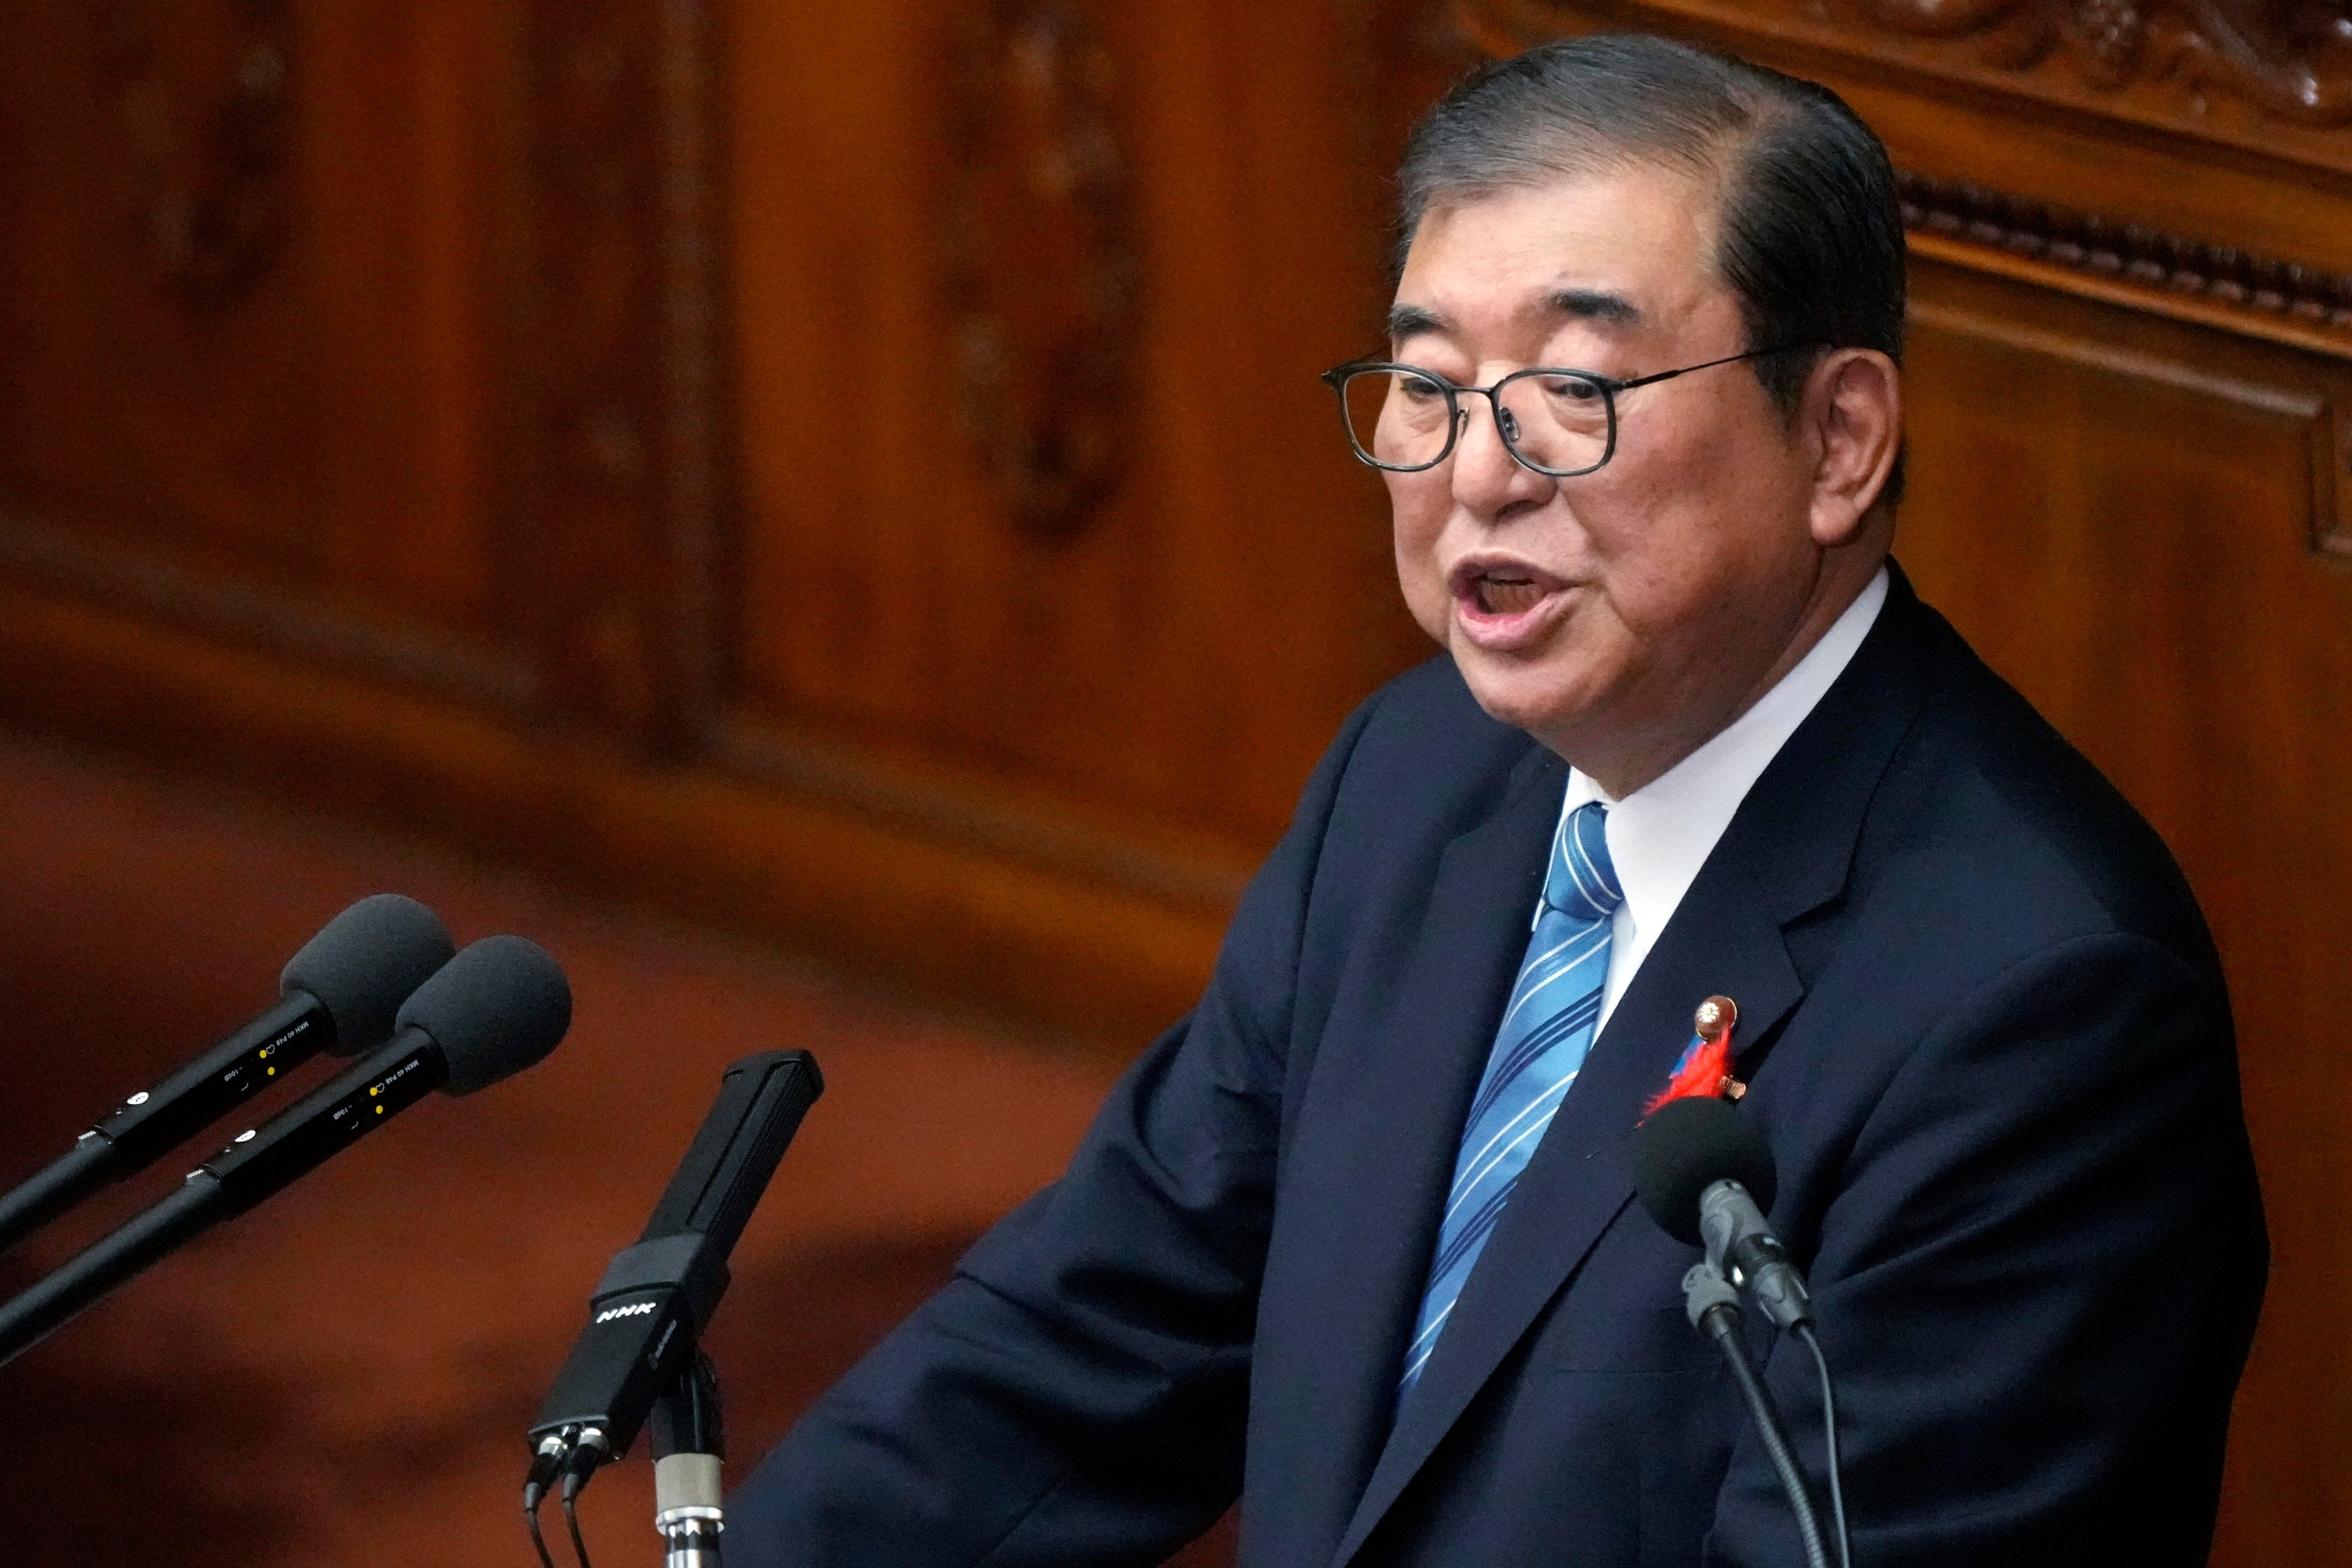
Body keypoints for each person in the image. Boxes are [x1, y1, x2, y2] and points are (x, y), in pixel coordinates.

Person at [729, 34, 2266, 1567]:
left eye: (1574, 388)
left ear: (1840, 438)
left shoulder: (2039, 1009)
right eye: (1428, 385)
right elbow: (1088, 1347)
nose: (1478, 474)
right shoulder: (1418, 787)